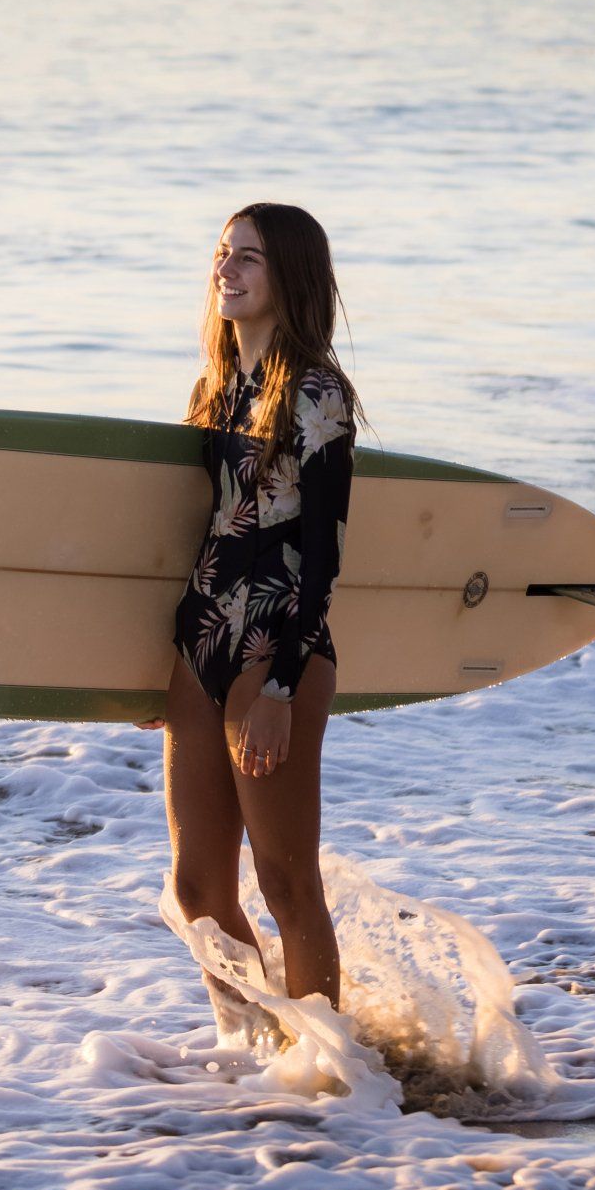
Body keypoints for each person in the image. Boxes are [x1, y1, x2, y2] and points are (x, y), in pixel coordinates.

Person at [153, 202, 360, 1013]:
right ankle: (257, 1050)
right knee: (197, 885)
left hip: (275, 647)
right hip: (198, 644)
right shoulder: (217, 387)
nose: (226, 269)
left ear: (290, 277)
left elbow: (325, 550)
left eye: (249, 258)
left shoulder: (318, 392)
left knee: (283, 878)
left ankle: (333, 1075)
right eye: (222, 252)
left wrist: (281, 684)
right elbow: (183, 533)